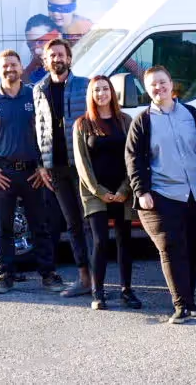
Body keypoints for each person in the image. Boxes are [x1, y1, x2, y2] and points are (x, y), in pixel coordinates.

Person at [126, 65, 196, 324]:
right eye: (153, 84)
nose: (159, 87)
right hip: (162, 195)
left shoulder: (191, 114)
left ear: (171, 83)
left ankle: (190, 302)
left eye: (163, 82)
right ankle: (180, 305)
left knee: (192, 248)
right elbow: (133, 159)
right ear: (147, 89)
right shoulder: (142, 121)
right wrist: (141, 190)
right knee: (171, 248)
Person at [0, 49, 63, 295]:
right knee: (3, 227)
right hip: (2, 174)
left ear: (21, 66)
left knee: (40, 225)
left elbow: (48, 132)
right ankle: (5, 274)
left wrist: (43, 166)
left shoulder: (35, 95)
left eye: (13, 65)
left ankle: (48, 274)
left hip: (33, 173)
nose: (9, 69)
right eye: (5, 66)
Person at [72, 75, 139, 310]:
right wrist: (100, 191)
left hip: (123, 191)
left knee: (125, 241)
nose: (101, 94)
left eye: (105, 89)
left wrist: (124, 189)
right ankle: (98, 292)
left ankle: (127, 291)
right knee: (100, 241)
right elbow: (82, 164)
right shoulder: (82, 124)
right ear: (91, 95)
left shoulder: (126, 121)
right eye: (96, 90)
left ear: (112, 92)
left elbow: (133, 158)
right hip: (95, 194)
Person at [33, 38, 93, 298]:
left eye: (61, 54)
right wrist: (41, 165)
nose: (57, 59)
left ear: (69, 58)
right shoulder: (38, 89)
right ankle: (83, 279)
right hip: (55, 168)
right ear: (45, 61)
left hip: (81, 166)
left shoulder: (85, 85)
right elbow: (38, 128)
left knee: (91, 222)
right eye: (52, 55)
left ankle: (97, 279)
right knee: (73, 226)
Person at [24, 15, 58, 83]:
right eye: (31, 45)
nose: (37, 51)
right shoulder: (34, 75)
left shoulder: (75, 63)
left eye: (41, 42)